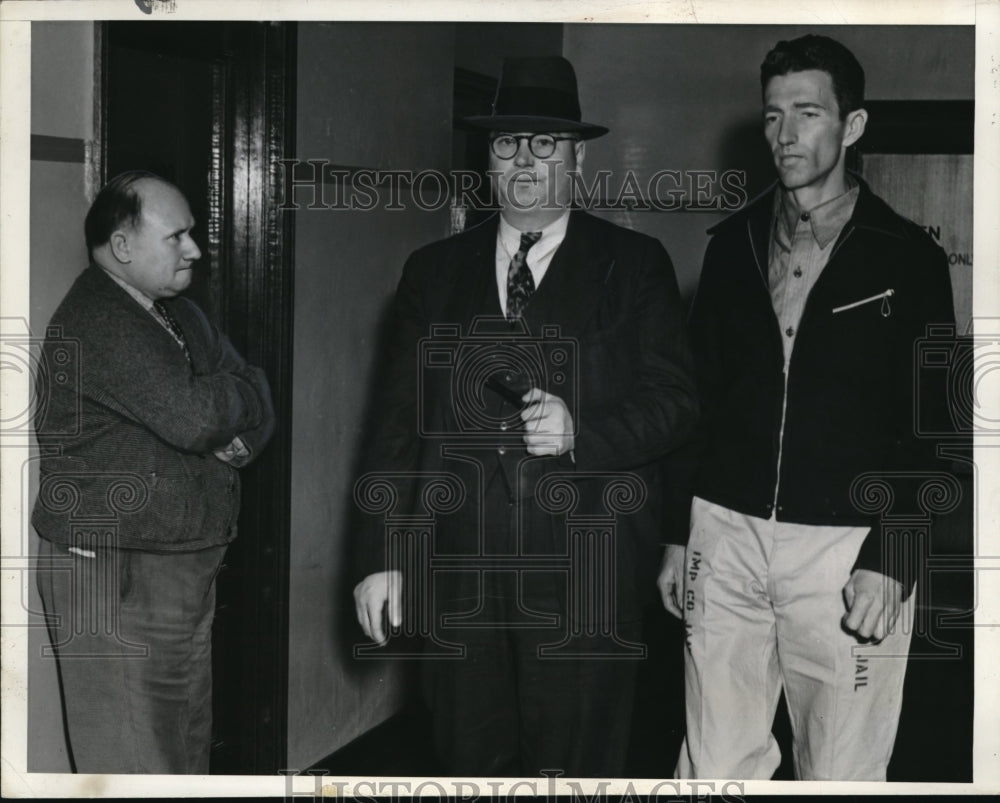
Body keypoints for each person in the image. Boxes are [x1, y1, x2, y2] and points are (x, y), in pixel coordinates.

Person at [354, 56, 697, 777]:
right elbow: (392, 424)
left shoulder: (634, 265)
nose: (524, 160)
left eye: (544, 143)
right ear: (488, 157)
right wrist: (381, 557)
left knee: (575, 769)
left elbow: (675, 405)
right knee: (467, 762)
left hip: (587, 576)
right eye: (507, 143)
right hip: (458, 578)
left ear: (577, 156)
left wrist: (584, 433)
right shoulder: (433, 272)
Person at [661, 34, 956, 780]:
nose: (785, 135)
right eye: (771, 116)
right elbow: (698, 401)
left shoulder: (907, 258)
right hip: (725, 532)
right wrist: (677, 535)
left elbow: (934, 427)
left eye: (807, 112)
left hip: (845, 546)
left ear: (851, 127)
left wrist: (895, 557)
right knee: (713, 765)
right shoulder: (730, 247)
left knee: (842, 769)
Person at [32, 171, 275, 774]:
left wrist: (235, 423)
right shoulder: (100, 319)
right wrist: (230, 397)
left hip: (179, 566)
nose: (193, 249)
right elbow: (195, 419)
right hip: (120, 574)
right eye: (178, 236)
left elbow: (261, 392)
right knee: (133, 764)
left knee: (182, 755)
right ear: (122, 247)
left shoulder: (181, 314)